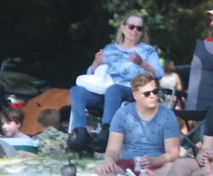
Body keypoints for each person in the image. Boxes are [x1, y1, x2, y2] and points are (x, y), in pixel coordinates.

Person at [69, 13, 162, 149]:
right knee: (76, 90)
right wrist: (95, 63)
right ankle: (80, 132)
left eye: (139, 28)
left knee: (114, 89)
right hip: (105, 90)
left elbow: (159, 73)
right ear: (123, 28)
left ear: (142, 32)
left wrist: (142, 63)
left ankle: (107, 132)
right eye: (131, 27)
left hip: (131, 90)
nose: (135, 30)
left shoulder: (147, 51)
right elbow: (93, 75)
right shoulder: (109, 49)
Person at [94, 73, 181, 176]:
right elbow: (112, 150)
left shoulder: (167, 115)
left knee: (178, 165)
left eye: (155, 92)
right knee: (100, 166)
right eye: (147, 93)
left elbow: (173, 153)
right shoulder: (122, 114)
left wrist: (154, 161)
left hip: (157, 164)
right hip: (126, 164)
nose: (152, 96)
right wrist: (109, 159)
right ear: (135, 96)